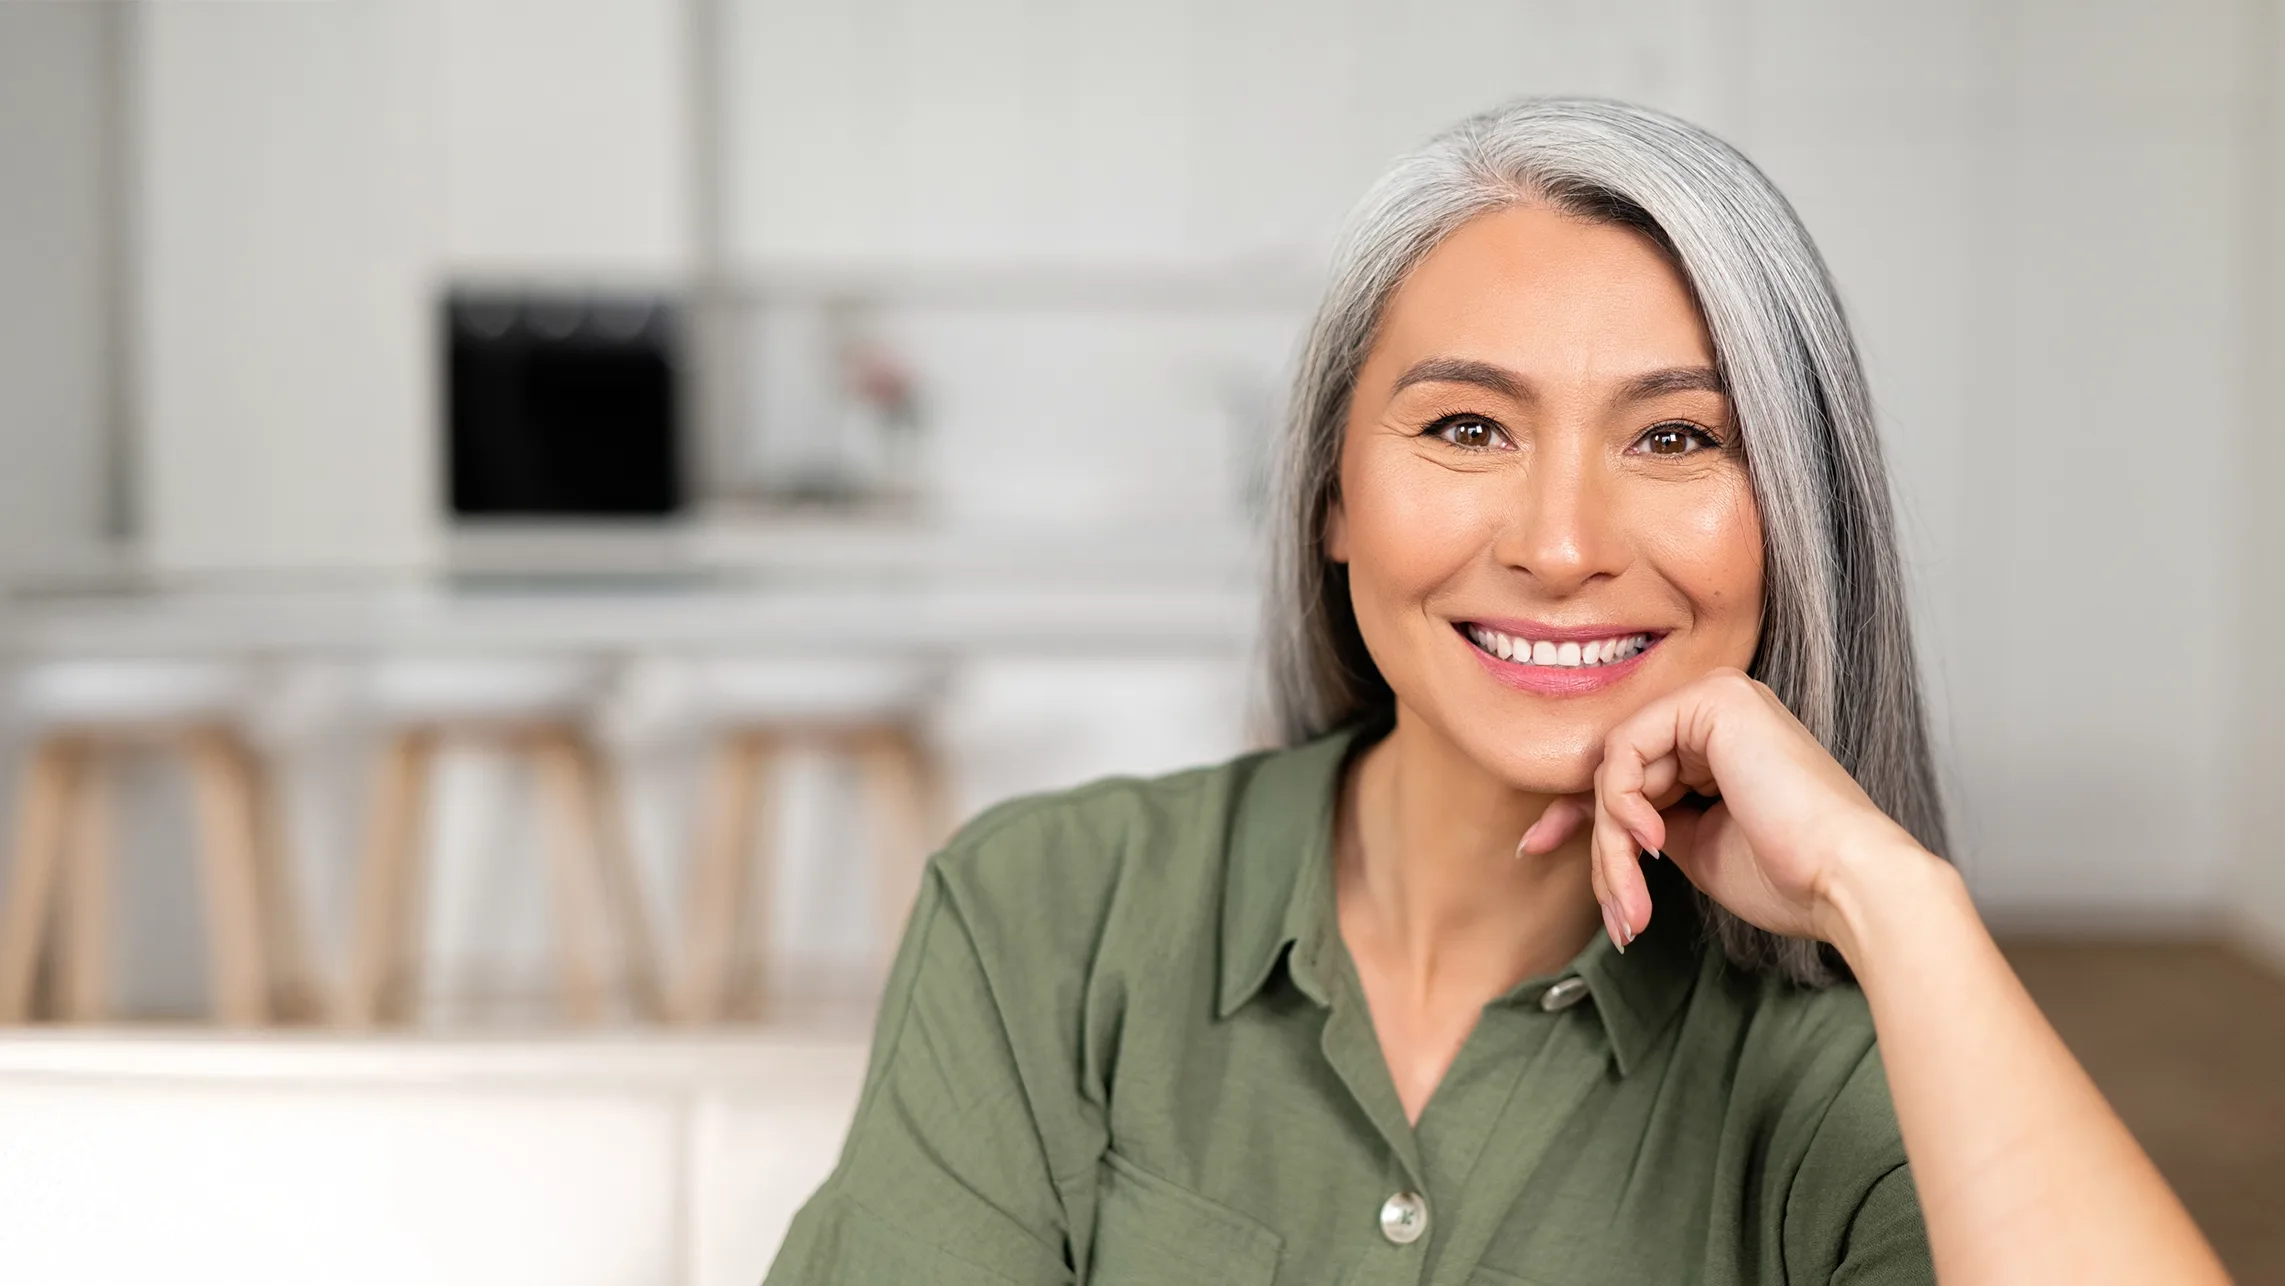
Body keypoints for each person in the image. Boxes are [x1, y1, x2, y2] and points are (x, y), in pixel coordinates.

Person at [763, 97, 2227, 1285]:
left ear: (1797, 518)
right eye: (1468, 425)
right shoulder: (1045, 920)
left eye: (1675, 441)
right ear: (1332, 495)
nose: (1562, 544)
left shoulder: (1869, 1079)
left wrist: (1888, 894)